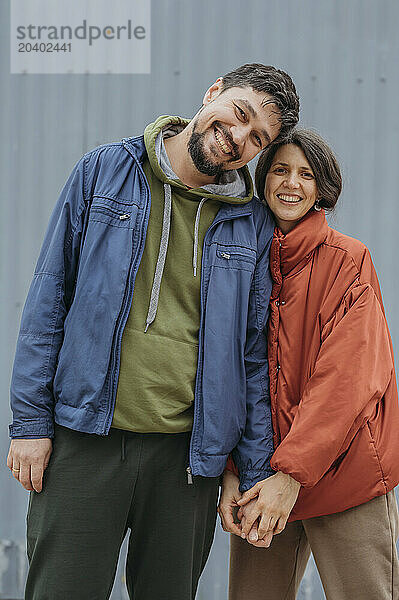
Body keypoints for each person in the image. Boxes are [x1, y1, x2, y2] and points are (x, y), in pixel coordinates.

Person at [7, 64, 299, 600]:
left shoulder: (251, 224)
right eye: (239, 114)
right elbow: (50, 297)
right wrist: (29, 423)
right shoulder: (105, 171)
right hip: (84, 441)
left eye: (258, 138)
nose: (239, 138)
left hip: (187, 461)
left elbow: (252, 357)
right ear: (213, 92)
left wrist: (252, 467)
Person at [220, 129, 399, 600]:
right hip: (261, 473)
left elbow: (348, 379)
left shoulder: (349, 261)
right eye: (280, 170)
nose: (291, 183)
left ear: (323, 187)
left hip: (345, 473)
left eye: (306, 173)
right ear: (263, 179)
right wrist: (233, 468)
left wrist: (292, 474)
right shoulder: (242, 260)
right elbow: (228, 369)